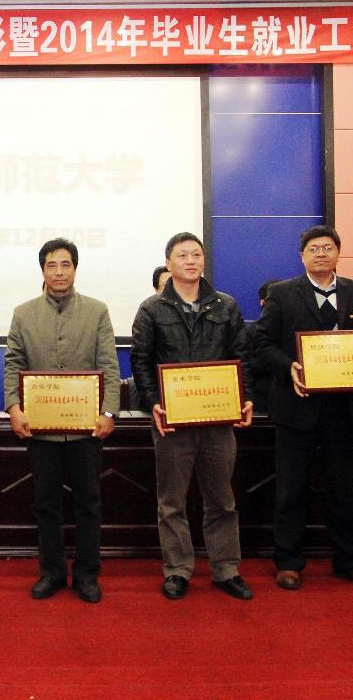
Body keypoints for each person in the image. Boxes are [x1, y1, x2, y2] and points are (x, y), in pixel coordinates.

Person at [251, 226, 353, 592]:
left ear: (338, 253)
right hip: (296, 407)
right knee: (291, 489)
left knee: (344, 488)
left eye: (328, 248)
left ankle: (350, 560)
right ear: (302, 256)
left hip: (343, 408)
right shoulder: (282, 293)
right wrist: (289, 367)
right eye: (313, 249)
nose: (321, 254)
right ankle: (288, 562)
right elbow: (262, 344)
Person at [131, 231, 256, 601]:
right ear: (168, 264)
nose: (191, 260)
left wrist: (244, 398)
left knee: (222, 500)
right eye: (182, 255)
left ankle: (226, 568)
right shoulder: (152, 309)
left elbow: (242, 356)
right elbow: (141, 361)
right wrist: (153, 402)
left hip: (218, 418)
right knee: (172, 502)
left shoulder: (225, 305)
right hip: (171, 420)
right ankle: (177, 569)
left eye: (196, 254)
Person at [4, 238, 121, 604]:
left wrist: (109, 412)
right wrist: (13, 407)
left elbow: (109, 365)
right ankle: (52, 573)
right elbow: (13, 364)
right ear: (42, 270)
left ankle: (87, 575)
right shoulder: (23, 313)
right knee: (46, 505)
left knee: (88, 503)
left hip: (86, 429)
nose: (59, 271)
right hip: (41, 430)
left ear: (75, 268)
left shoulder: (97, 311)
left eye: (65, 264)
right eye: (51, 265)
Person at [248, 278, 281, 414]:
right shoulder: (251, 331)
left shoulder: (295, 328)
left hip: (290, 398)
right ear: (262, 302)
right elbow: (246, 364)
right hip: (261, 400)